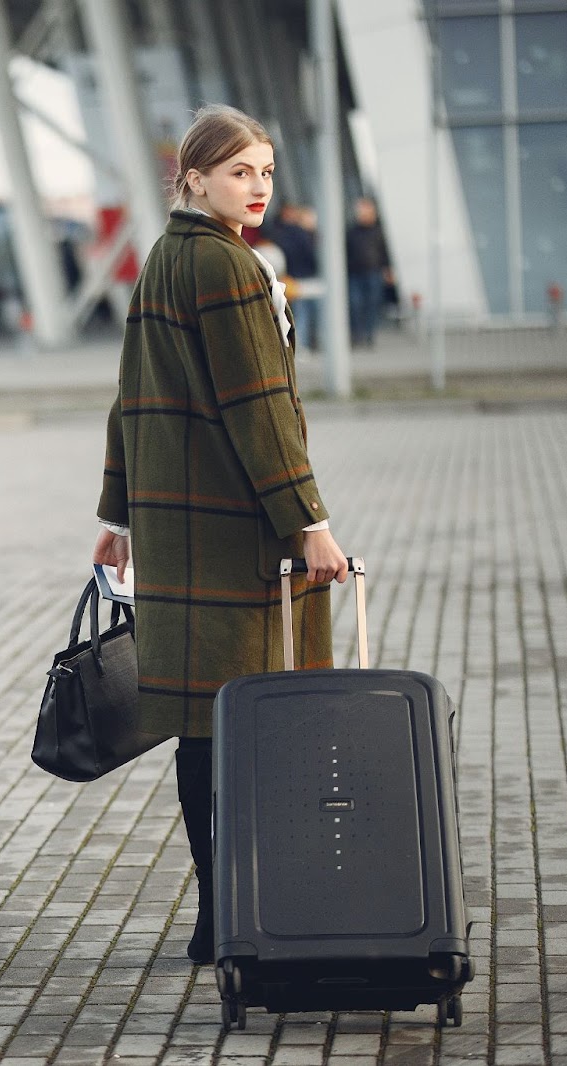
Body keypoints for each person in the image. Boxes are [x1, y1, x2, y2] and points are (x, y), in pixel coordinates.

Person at [91, 104, 349, 965]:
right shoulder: (229, 269)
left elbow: (131, 394)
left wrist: (116, 515)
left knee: (206, 722)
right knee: (255, 717)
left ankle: (216, 913)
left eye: (267, 172)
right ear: (194, 176)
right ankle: (247, 912)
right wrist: (307, 521)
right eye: (241, 171)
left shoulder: (165, 259)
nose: (259, 187)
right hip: (239, 532)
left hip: (177, 527)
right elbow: (261, 409)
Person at [268, 203, 320, 352]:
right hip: (302, 276)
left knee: (301, 312)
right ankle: (305, 343)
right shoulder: (300, 234)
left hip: (294, 276)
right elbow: (310, 254)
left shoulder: (279, 233)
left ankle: (302, 344)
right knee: (305, 313)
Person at [346, 197, 392, 348]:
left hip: (373, 273)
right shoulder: (352, 231)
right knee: (355, 304)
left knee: (372, 305)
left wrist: (388, 270)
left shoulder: (378, 231)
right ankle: (357, 335)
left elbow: (384, 251)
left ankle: (369, 335)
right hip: (355, 274)